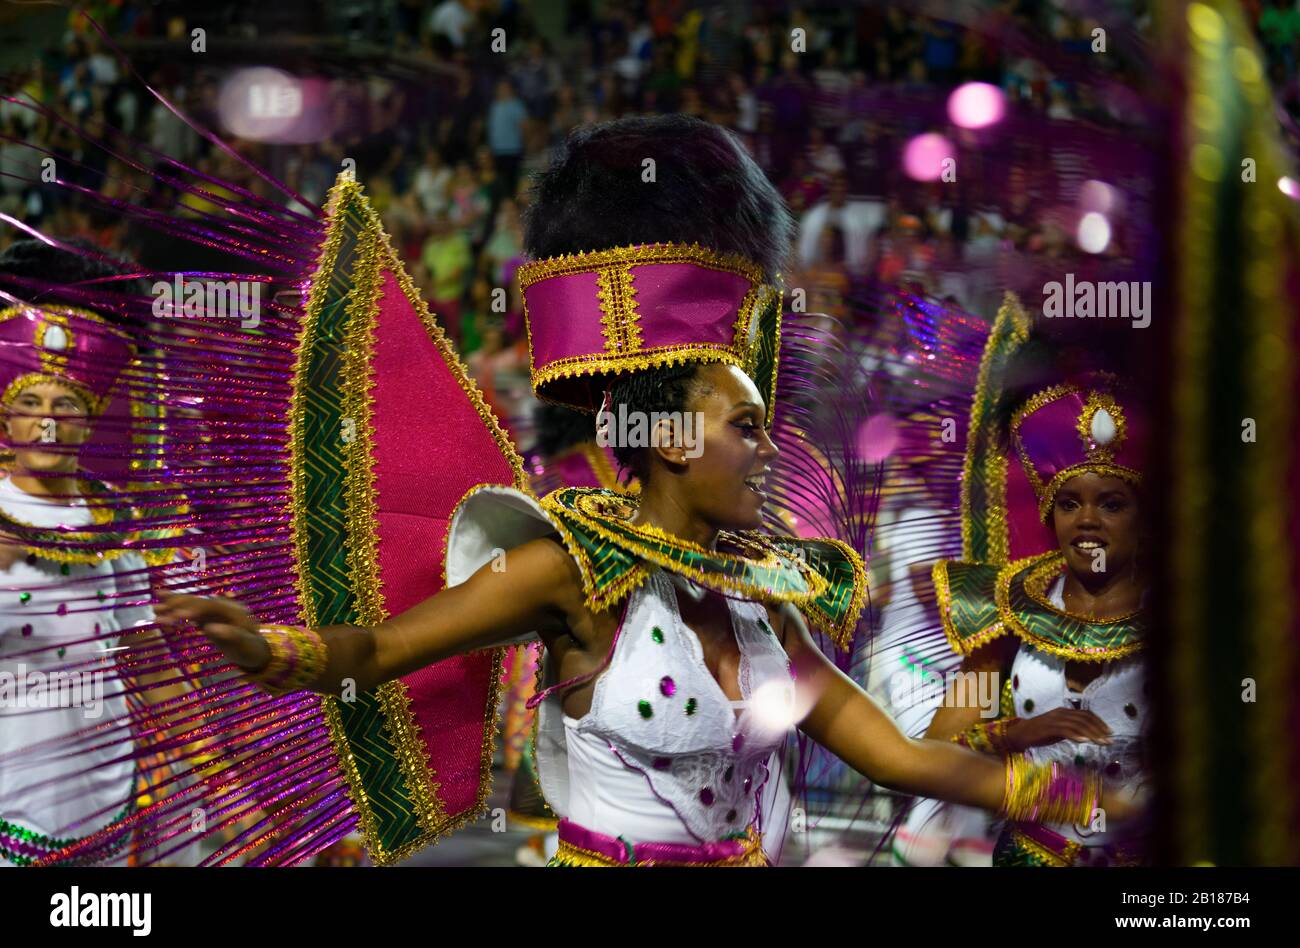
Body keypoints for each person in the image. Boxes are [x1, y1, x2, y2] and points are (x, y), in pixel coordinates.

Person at [156, 116, 1133, 867]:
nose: (767, 449)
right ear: (666, 440)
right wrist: (277, 649)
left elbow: (902, 758)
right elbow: (380, 647)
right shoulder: (568, 572)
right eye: (743, 426)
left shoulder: (765, 604)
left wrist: (1063, 799)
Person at [922, 308, 1148, 866]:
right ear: (1050, 513)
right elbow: (934, 753)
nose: (1087, 521)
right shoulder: (1005, 618)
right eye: (1070, 504)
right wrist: (1017, 733)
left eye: (1112, 504)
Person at [0, 241, 194, 866]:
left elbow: (147, 662)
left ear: (89, 421)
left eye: (66, 406)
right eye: (31, 405)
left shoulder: (115, 521)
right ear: (8, 416)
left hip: (108, 808)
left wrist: (221, 771)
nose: (48, 423)